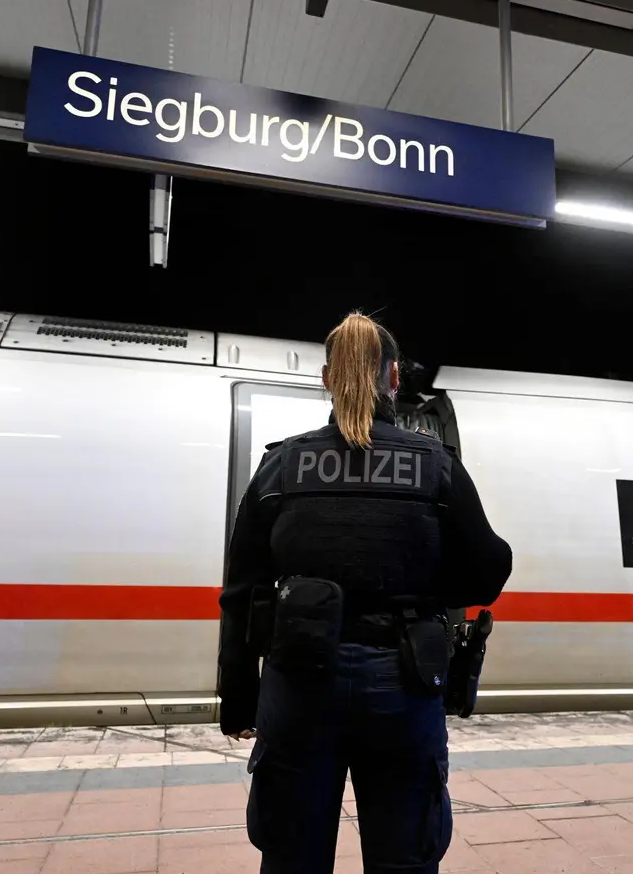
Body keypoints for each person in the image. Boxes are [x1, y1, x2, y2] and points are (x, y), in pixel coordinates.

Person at [217, 312, 514, 874]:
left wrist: (238, 697)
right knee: (404, 856)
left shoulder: (282, 465)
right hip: (403, 682)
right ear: (394, 378)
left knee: (292, 858)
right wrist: (422, 583)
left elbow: (241, 589)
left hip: (299, 682)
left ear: (328, 378)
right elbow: (487, 573)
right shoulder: (434, 466)